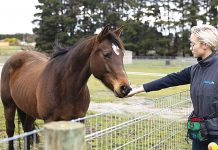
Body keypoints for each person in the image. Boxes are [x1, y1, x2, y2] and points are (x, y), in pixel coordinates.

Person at [127, 24, 218, 150]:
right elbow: (170, 80)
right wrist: (139, 89)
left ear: (205, 45)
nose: (190, 47)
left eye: (193, 44)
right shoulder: (194, 70)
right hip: (199, 131)